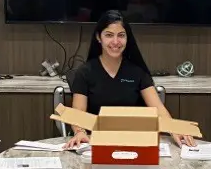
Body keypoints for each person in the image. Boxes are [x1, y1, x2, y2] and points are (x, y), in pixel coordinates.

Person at [64, 10, 197, 149]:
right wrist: (79, 132)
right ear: (99, 37)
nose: (115, 42)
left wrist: (175, 128)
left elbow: (158, 107)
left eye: (121, 35)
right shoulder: (84, 72)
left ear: (128, 38)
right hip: (96, 144)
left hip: (134, 143)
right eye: (109, 35)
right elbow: (78, 113)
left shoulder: (137, 71)